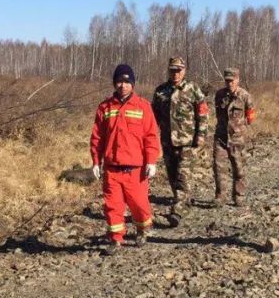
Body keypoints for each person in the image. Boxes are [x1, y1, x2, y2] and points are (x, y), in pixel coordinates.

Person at [90, 64, 161, 253]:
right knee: (112, 206)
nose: (123, 85)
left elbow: (151, 136)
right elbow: (97, 137)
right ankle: (115, 240)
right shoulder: (105, 107)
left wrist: (151, 161)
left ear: (133, 84)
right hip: (112, 169)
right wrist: (96, 161)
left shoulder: (143, 106)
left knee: (139, 204)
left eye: (127, 82)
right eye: (119, 81)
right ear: (115, 83)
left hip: (136, 169)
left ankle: (142, 230)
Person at [151, 56, 209, 223]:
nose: (175, 74)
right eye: (172, 70)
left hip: (187, 142)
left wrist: (201, 134)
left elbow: (203, 113)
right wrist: (150, 136)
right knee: (172, 176)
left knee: (183, 176)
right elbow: (153, 117)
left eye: (178, 70)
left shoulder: (193, 89)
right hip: (167, 141)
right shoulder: (160, 91)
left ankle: (177, 211)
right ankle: (183, 200)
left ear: (184, 71)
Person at [213, 67, 256, 207]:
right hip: (221, 138)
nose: (229, 83)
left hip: (238, 138)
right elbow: (217, 114)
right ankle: (220, 196)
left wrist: (240, 127)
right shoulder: (219, 95)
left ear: (238, 80)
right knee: (219, 168)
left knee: (239, 168)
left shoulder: (245, 96)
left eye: (232, 80)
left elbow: (250, 117)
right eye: (227, 81)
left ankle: (238, 196)